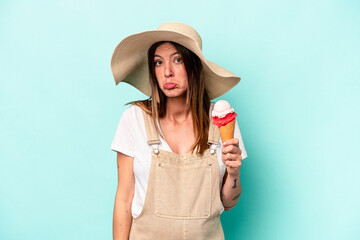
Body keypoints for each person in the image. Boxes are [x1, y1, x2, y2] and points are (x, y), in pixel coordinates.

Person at [110, 22, 248, 240]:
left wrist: (234, 172)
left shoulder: (220, 123)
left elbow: (229, 203)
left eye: (177, 59)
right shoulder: (135, 119)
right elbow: (124, 199)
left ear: (194, 66)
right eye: (158, 62)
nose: (167, 72)